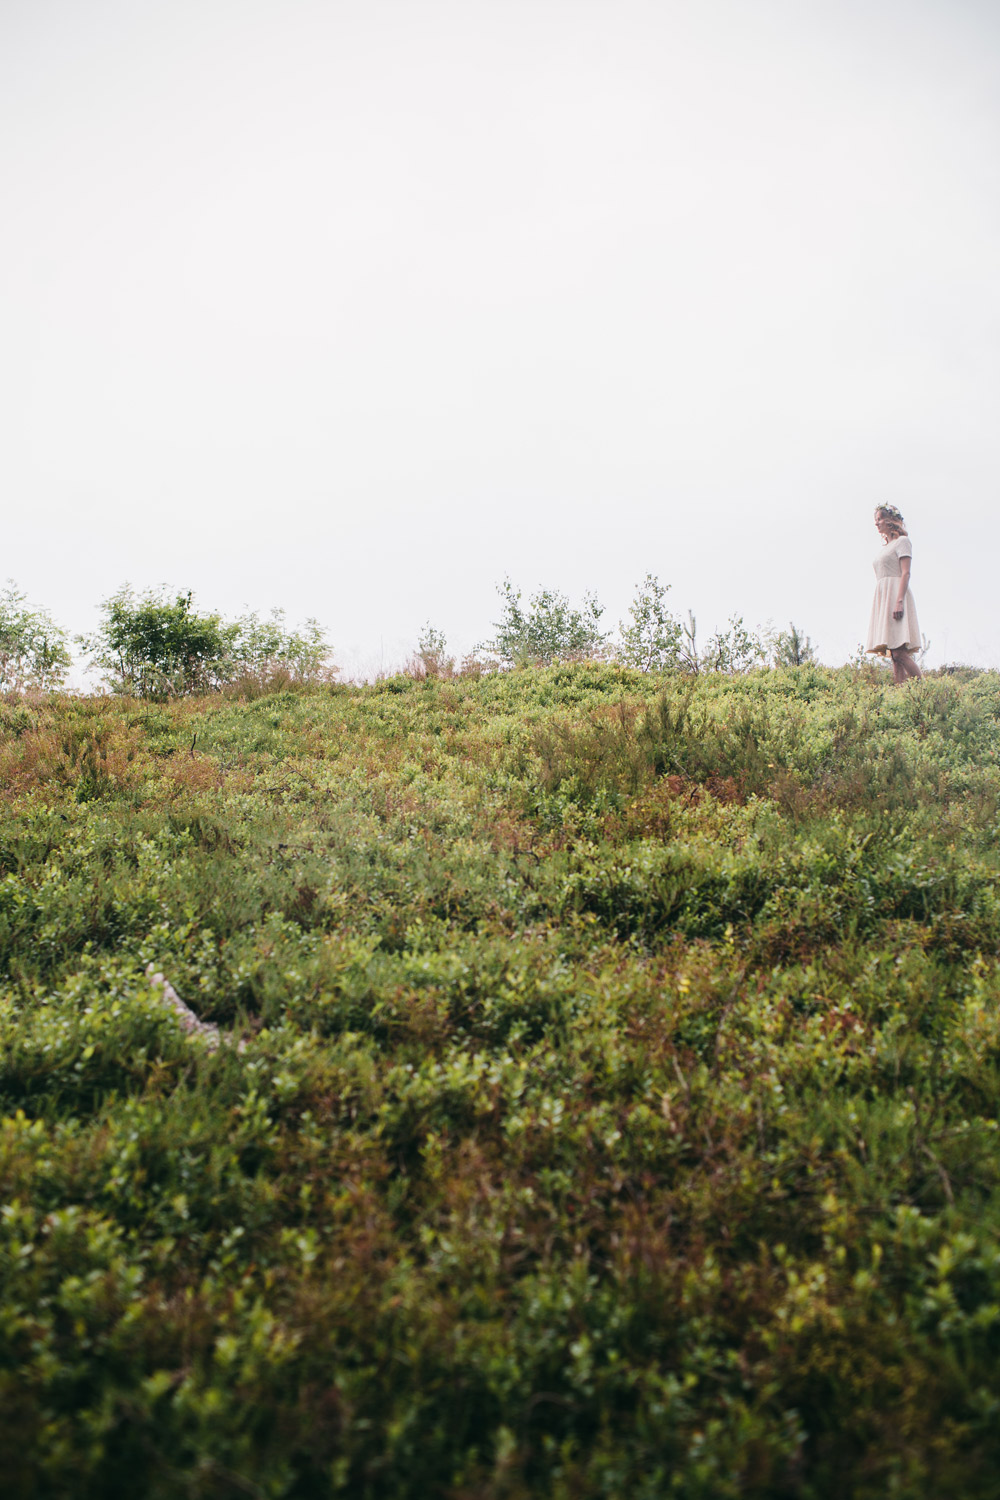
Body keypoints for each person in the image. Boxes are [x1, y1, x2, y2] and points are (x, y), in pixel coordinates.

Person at [866, 505, 922, 683]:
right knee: (894, 654)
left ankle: (923, 689)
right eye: (876, 519)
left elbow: (905, 573)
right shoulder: (886, 547)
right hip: (884, 596)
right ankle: (900, 694)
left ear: (890, 521)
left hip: (896, 595)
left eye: (880, 519)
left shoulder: (902, 542)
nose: (877, 523)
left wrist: (899, 601)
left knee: (899, 651)